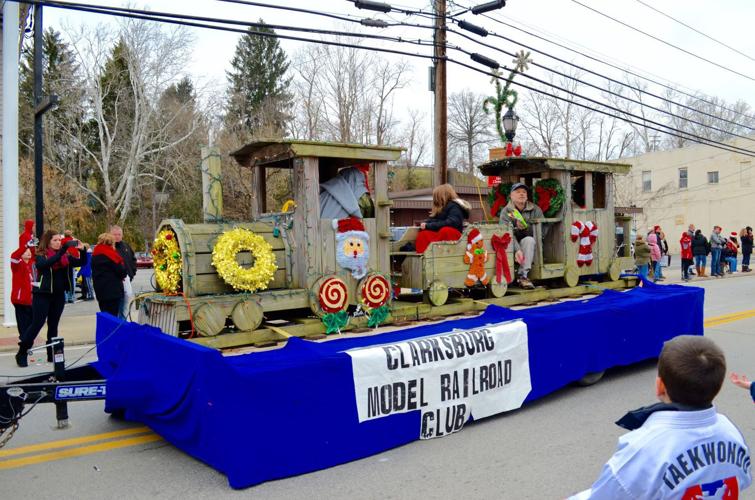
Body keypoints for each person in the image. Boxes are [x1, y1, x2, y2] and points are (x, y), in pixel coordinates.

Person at [570, 336, 751, 499]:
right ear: (717, 388)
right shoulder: (730, 431)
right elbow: (742, 480)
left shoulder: (642, 446)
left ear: (660, 387)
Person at [16, 230, 88, 367]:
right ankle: (22, 351)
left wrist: (82, 250)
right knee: (37, 323)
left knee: (53, 325)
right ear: (48, 242)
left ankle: (52, 354)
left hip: (58, 295)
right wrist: (62, 251)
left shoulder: (65, 256)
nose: (58, 243)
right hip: (42, 294)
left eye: (59, 240)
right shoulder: (40, 255)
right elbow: (45, 265)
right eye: (55, 240)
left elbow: (81, 262)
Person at [500, 183, 548, 290]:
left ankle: (523, 276)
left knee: (529, 241)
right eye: (518, 192)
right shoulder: (506, 212)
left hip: (531, 246)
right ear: (511, 196)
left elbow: (543, 230)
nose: (521, 194)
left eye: (524, 192)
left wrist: (527, 228)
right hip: (511, 245)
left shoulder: (535, 209)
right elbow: (505, 234)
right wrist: (517, 248)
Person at [414, 184, 470, 254]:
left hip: (453, 236)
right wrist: (426, 224)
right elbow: (434, 220)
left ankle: (441, 253)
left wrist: (429, 225)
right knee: (423, 234)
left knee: (446, 230)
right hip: (441, 234)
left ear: (442, 196)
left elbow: (451, 223)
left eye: (436, 197)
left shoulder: (455, 207)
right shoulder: (441, 208)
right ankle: (425, 255)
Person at [92, 233, 127, 317]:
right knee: (113, 317)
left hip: (100, 290)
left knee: (105, 315)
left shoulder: (95, 254)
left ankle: (105, 330)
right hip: (113, 291)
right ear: (111, 243)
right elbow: (122, 271)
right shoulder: (111, 255)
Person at [10, 240, 34, 345]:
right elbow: (14, 256)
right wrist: (25, 246)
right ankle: (24, 341)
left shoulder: (32, 264)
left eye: (29, 251)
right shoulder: (17, 264)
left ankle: (27, 339)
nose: (28, 252)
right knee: (22, 322)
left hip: (31, 299)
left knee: (32, 321)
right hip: (20, 299)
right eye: (25, 251)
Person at [111, 225, 137, 320]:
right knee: (117, 309)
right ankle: (118, 328)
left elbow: (133, 260)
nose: (117, 236)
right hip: (115, 285)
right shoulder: (109, 248)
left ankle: (123, 326)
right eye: (115, 234)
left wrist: (132, 274)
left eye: (119, 234)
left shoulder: (126, 246)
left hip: (127, 282)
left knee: (125, 308)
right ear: (110, 235)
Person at [61, 229, 80, 304]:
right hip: (73, 261)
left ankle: (65, 297)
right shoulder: (73, 240)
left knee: (65, 278)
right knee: (72, 279)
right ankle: (71, 296)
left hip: (65, 260)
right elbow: (76, 251)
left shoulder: (63, 241)